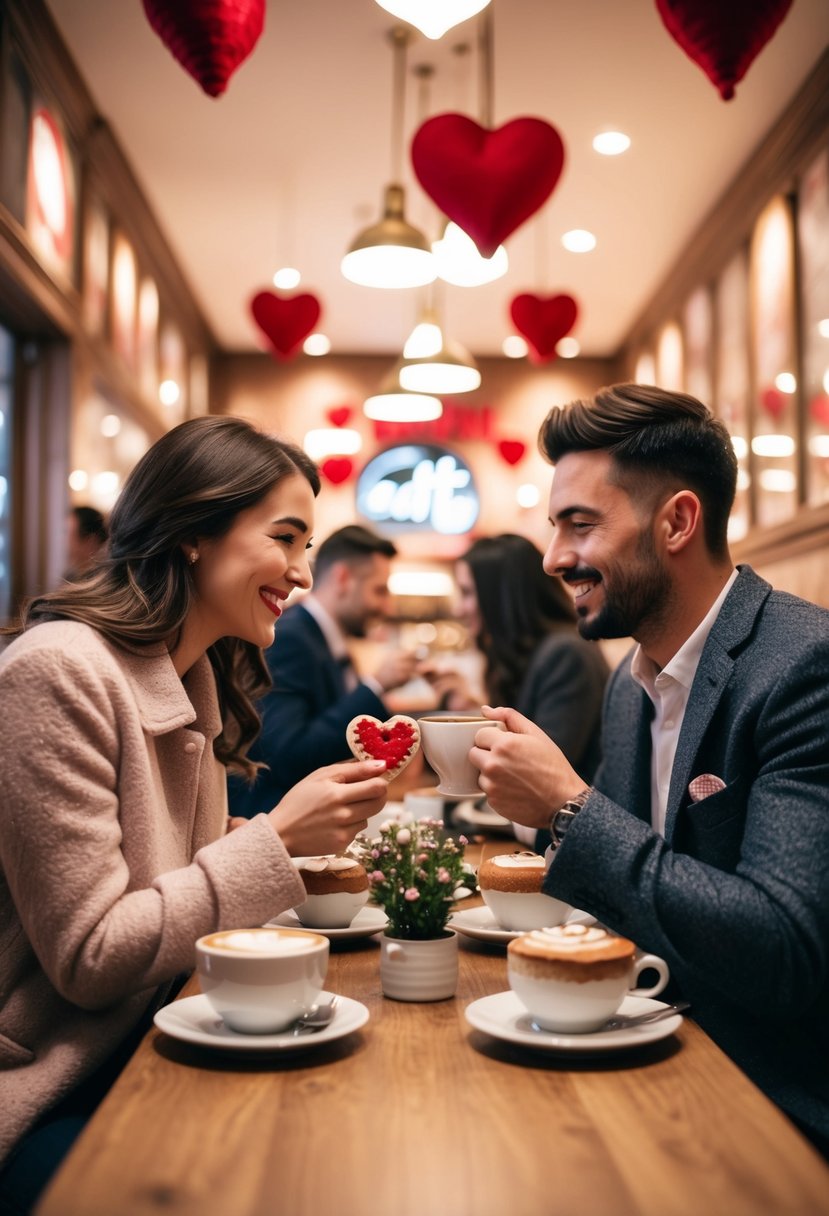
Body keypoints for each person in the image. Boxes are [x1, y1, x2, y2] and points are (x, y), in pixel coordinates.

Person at [0, 416, 389, 1209]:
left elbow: (156, 875)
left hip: (151, 1032)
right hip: (50, 1077)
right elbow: (93, 955)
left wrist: (242, 842)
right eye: (286, 538)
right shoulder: (56, 673)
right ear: (192, 534)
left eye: (308, 547)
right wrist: (274, 840)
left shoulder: (196, 679)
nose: (303, 574)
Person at [470, 383, 829, 1156]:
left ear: (676, 521)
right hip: (640, 1049)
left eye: (579, 524)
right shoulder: (629, 684)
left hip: (770, 1101)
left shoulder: (803, 666)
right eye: (553, 526)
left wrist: (568, 806)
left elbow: (783, 949)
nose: (553, 557)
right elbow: (624, 896)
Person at [423, 533, 608, 849]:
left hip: (566, 848)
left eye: (467, 593)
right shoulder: (531, 656)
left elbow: (533, 774)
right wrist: (471, 711)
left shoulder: (567, 654)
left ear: (500, 595)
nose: (459, 608)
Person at [228, 523, 418, 817]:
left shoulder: (323, 638)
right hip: (274, 824)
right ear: (343, 578)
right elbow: (289, 754)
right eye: (379, 590)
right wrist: (376, 686)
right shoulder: (290, 638)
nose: (387, 607)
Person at [63, 505, 108, 581]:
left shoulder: (105, 582)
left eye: (68, 534)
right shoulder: (70, 577)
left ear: (90, 541)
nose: (64, 542)